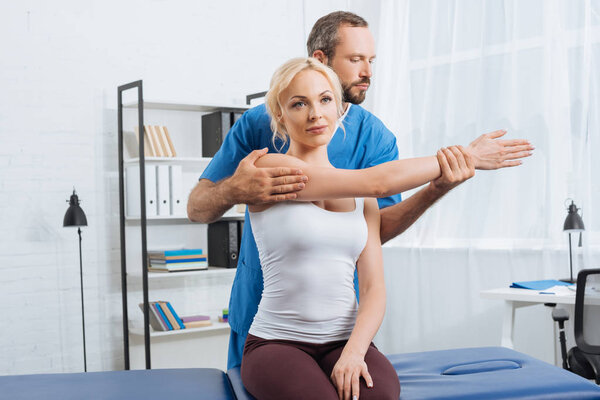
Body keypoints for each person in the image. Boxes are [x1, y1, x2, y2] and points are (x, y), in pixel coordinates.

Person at [187, 11, 534, 371]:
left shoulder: (375, 137)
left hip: (339, 328)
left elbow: (373, 230)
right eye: (355, 60)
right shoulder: (261, 124)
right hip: (263, 316)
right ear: (320, 60)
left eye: (371, 60)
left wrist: (438, 187)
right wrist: (234, 190)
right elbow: (197, 208)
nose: (368, 71)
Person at [240, 57, 475, 400]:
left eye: (325, 100)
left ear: (339, 109)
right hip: (277, 342)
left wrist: (354, 352)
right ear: (280, 115)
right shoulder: (268, 170)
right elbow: (378, 182)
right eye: (298, 103)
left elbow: (373, 288)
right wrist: (471, 156)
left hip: (345, 341)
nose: (315, 114)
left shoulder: (362, 197)